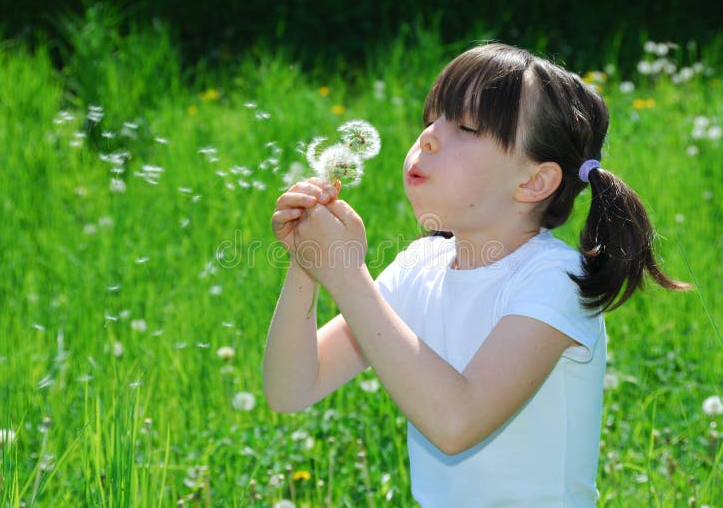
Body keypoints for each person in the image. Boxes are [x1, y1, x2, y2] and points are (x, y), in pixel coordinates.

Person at [263, 43, 689, 507]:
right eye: (432, 120)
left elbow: (456, 423)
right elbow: (292, 388)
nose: (427, 138)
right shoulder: (417, 267)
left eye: (466, 127)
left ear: (533, 182)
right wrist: (307, 265)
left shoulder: (552, 280)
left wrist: (347, 277)